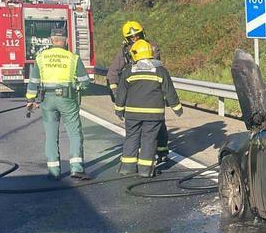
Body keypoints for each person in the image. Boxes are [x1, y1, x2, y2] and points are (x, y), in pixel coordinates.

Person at [25, 27, 91, 180]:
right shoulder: (72, 58)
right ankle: (76, 168)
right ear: (66, 40)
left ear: (51, 40)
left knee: (51, 135)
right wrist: (77, 87)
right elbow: (85, 82)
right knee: (74, 133)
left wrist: (30, 100)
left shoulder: (41, 57)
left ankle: (54, 171)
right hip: (67, 99)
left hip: (47, 100)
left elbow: (33, 81)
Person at [114, 39, 182, 177]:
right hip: (153, 115)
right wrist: (177, 108)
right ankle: (145, 170)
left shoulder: (129, 71)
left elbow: (121, 92)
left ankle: (127, 167)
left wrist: (119, 109)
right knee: (149, 139)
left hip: (132, 114)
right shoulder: (160, 70)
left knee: (131, 137)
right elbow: (169, 91)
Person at [107, 20, 170, 163]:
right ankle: (141, 155)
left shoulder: (152, 48)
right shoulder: (124, 52)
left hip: (151, 90)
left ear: (142, 34)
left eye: (137, 36)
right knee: (135, 128)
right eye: (132, 38)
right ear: (127, 39)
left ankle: (161, 150)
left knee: (158, 124)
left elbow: (156, 67)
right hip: (133, 93)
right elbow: (112, 73)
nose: (135, 39)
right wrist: (117, 95)